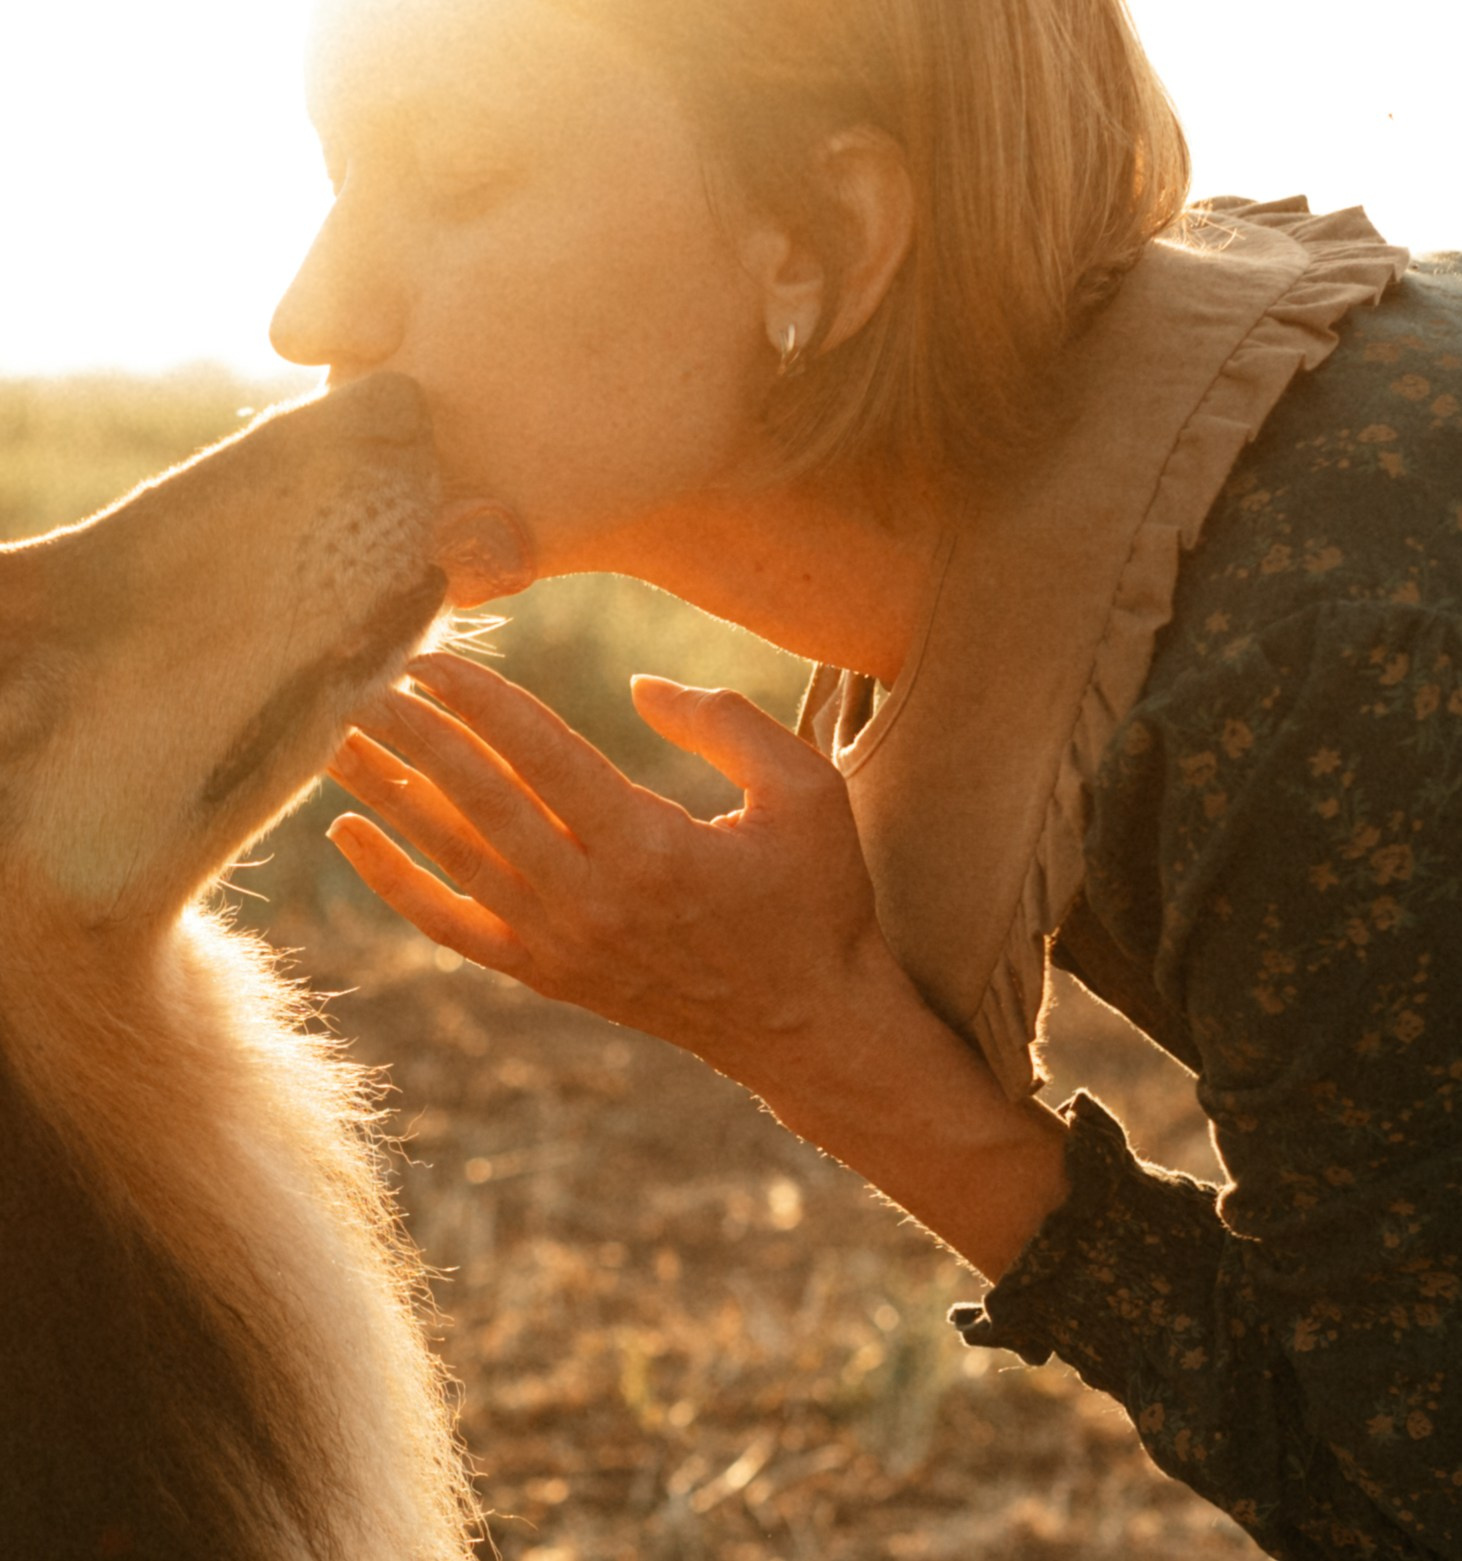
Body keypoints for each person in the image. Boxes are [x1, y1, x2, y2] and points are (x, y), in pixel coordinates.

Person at [270, 0, 1462, 1555]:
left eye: (454, 172)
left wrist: (819, 1041)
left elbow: (1411, 1501)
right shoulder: (1217, 461)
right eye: (338, 181)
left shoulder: (1309, 655)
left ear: (822, 235)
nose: (310, 311)